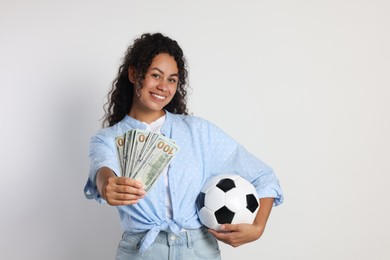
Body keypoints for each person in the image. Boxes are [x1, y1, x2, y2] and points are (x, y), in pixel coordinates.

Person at [84, 32, 283, 260]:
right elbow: (102, 171)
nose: (163, 87)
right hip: (142, 251)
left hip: (198, 250)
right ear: (133, 74)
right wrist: (108, 184)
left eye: (172, 79)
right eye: (155, 75)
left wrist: (257, 228)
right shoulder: (108, 139)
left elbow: (264, 177)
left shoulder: (197, 131)